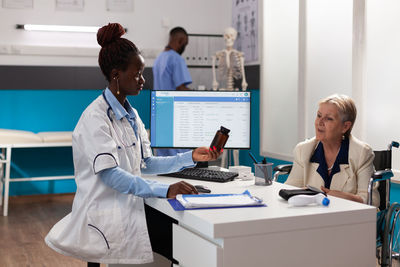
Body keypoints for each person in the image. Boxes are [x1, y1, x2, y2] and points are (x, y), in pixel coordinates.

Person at [45, 23, 220, 265]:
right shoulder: (95, 118)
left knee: (188, 237)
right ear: (116, 74)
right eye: (137, 73)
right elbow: (111, 176)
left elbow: (145, 163)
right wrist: (165, 189)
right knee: (186, 243)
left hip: (129, 205)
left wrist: (189, 157)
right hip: (107, 215)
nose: (142, 80)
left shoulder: (132, 115)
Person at [285, 94, 379, 207]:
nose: (320, 122)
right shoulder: (303, 150)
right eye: (319, 115)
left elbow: (371, 201)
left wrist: (337, 197)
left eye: (329, 118)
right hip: (311, 217)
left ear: (345, 127)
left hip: (348, 219)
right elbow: (290, 190)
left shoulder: (362, 153)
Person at [153, 26, 192, 156]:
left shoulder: (159, 58)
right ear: (180, 41)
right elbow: (181, 87)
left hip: (159, 112)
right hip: (175, 112)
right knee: (181, 159)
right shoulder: (176, 59)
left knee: (164, 157)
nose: (184, 48)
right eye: (185, 44)